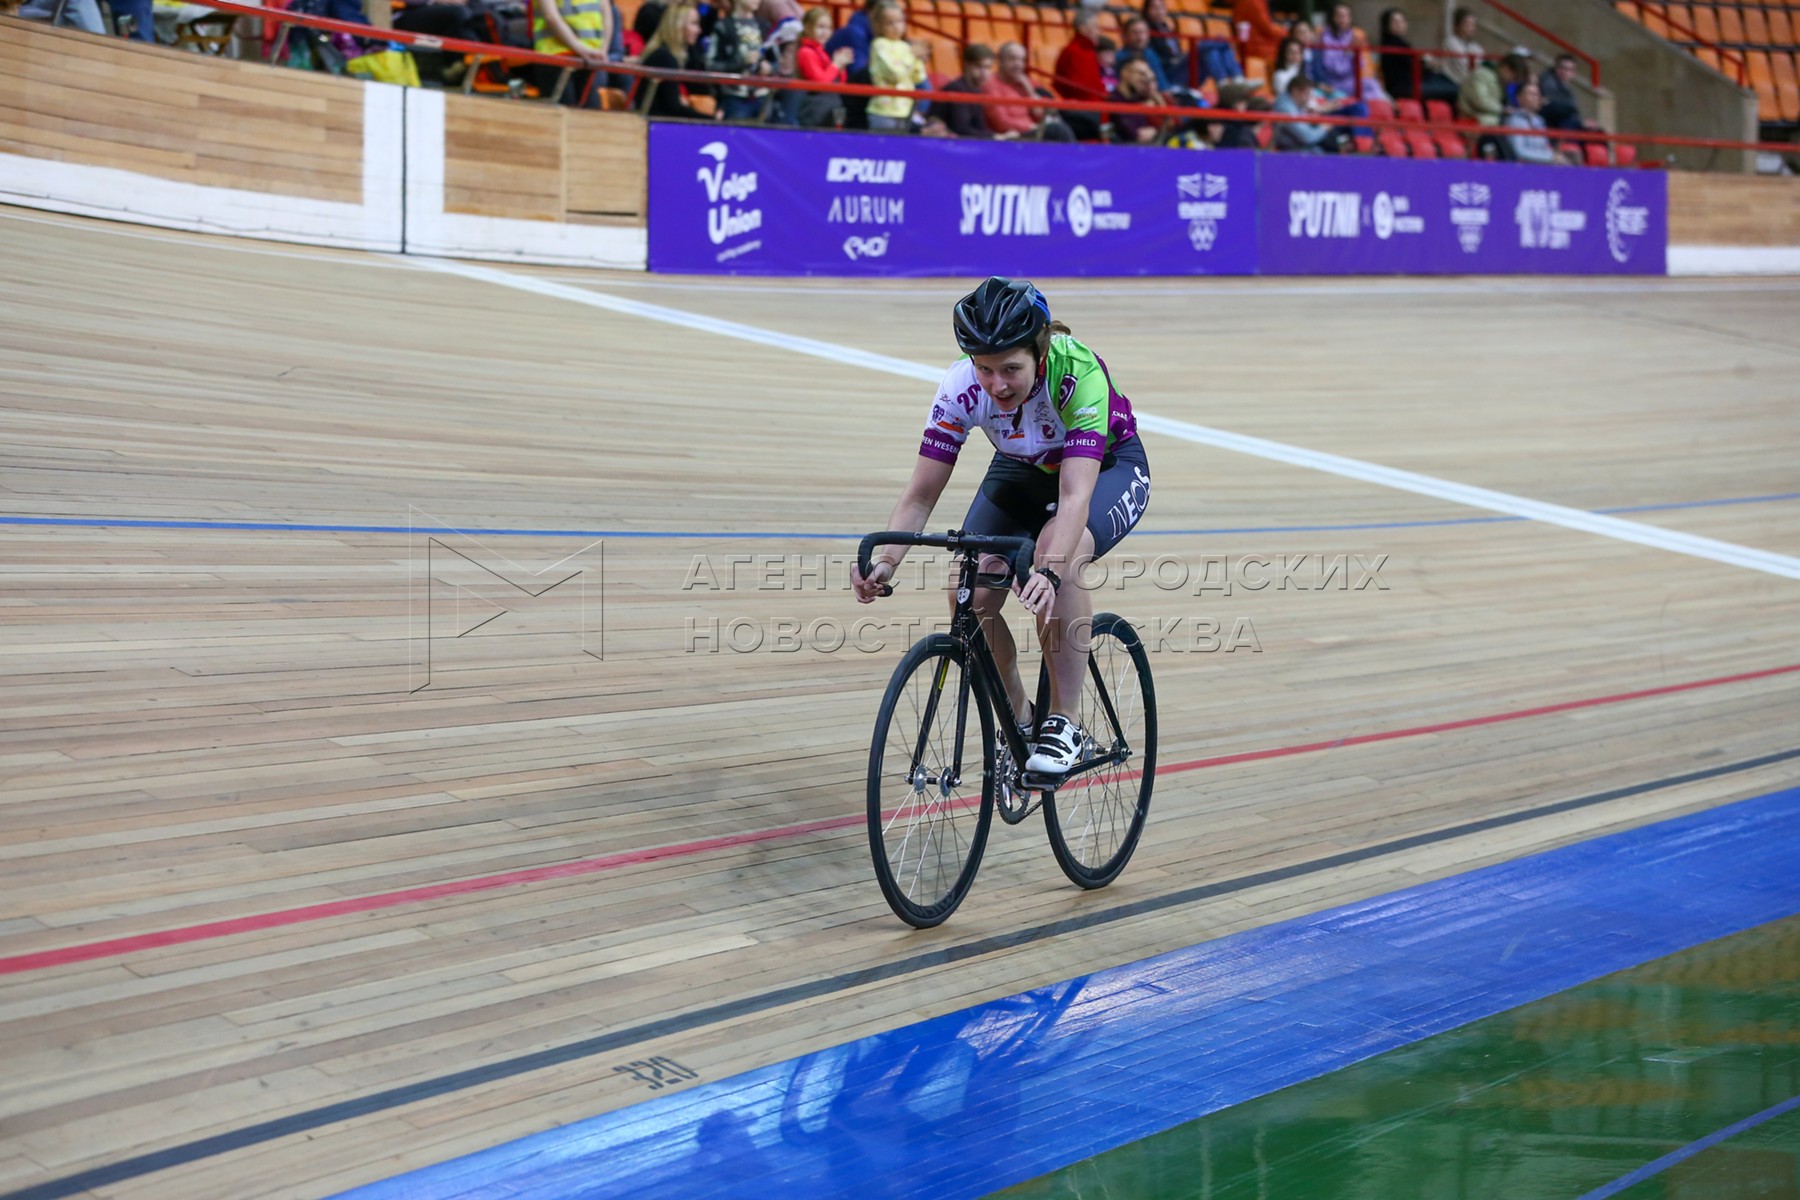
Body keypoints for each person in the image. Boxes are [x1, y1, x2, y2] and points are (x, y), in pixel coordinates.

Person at [851, 278, 1152, 777]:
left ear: (1040, 351)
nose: (997, 385)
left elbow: (1076, 496)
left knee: (1063, 557)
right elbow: (921, 494)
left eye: (1011, 368)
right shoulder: (959, 388)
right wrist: (885, 562)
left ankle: (1065, 723)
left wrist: (1049, 569)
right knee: (967, 589)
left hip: (1108, 468)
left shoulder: (1076, 374)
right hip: (1023, 468)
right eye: (985, 369)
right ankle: (1019, 716)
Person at [987, 41, 1076, 141]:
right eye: (1012, 59)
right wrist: (1031, 127)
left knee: (1072, 124)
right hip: (1012, 136)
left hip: (1031, 132)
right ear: (1001, 60)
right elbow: (1001, 123)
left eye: (1022, 60)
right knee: (1058, 130)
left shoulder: (1024, 83)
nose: (1018, 64)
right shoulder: (991, 84)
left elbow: (1041, 116)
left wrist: (1029, 89)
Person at [635, 3, 711, 119]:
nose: (699, 30)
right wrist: (712, 119)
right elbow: (673, 107)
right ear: (678, 26)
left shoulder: (671, 55)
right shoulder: (664, 57)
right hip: (652, 126)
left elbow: (702, 88)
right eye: (694, 24)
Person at [532, 0, 610, 105]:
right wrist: (600, 50)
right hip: (558, 58)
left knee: (587, 115)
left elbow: (606, 13)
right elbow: (551, 16)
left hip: (589, 59)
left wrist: (602, 50)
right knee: (573, 115)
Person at [706, 0, 771, 122]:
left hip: (762, 97)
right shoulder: (723, 26)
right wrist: (740, 63)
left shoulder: (764, 25)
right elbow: (711, 66)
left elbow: (777, 62)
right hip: (734, 98)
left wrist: (769, 67)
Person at [867, 2, 928, 132]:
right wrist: (912, 55)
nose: (896, 27)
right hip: (883, 111)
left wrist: (919, 60)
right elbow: (895, 74)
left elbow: (918, 77)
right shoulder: (879, 45)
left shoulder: (906, 47)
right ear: (878, 25)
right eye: (890, 23)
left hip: (905, 110)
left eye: (900, 21)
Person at [1376, 7, 1455, 103]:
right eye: (1395, 22)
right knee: (1453, 89)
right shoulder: (1392, 44)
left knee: (1444, 80)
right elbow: (1412, 66)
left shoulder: (1401, 43)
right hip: (1404, 87)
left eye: (1402, 21)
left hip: (1413, 83)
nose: (1399, 25)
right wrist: (1427, 64)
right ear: (1387, 25)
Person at [1053, 11, 1107, 140]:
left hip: (1095, 106)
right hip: (1081, 110)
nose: (1098, 31)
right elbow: (1080, 88)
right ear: (1082, 28)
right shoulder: (1073, 52)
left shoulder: (1088, 51)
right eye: (1094, 26)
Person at [795, 6, 852, 126]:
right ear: (807, 27)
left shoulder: (823, 53)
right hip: (814, 113)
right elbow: (820, 83)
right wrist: (836, 65)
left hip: (831, 108)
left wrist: (841, 67)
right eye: (820, 27)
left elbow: (839, 84)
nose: (825, 32)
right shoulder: (806, 52)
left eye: (828, 28)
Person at [1506, 77, 1576, 164]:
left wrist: (1555, 154)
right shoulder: (1514, 121)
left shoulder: (1539, 120)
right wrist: (1551, 157)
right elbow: (1519, 152)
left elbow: (1543, 148)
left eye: (1537, 94)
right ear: (1519, 98)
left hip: (1542, 165)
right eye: (1531, 94)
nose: (1536, 98)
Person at [940, 43, 1002, 138]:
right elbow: (961, 129)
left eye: (988, 67)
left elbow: (979, 127)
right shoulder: (957, 89)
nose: (984, 73)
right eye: (979, 66)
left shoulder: (976, 91)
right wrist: (995, 137)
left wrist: (998, 136)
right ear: (966, 65)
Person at [1273, 74, 1348, 152]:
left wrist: (1311, 117)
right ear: (1295, 91)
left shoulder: (1293, 103)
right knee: (1320, 150)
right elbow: (1307, 137)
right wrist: (1324, 128)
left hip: (1300, 144)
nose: (1309, 98)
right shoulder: (1285, 108)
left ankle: (1344, 148)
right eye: (1307, 93)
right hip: (1292, 150)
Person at [1109, 54, 1169, 144]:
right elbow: (1134, 134)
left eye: (1146, 74)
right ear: (1125, 73)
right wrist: (1155, 131)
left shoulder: (1139, 98)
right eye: (1141, 74)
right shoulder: (1115, 100)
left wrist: (1161, 104)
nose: (1145, 79)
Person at [1314, 2, 1361, 98]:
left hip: (1350, 80)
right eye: (1339, 15)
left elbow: (1359, 65)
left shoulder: (1354, 36)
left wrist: (1352, 53)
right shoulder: (1324, 36)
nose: (1342, 19)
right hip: (1330, 82)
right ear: (1332, 17)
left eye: (1346, 16)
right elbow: (1334, 69)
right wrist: (1348, 54)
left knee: (1372, 84)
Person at [1538, 52, 1593, 131]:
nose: (1565, 72)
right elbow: (1557, 105)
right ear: (1556, 68)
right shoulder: (1547, 81)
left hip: (1564, 122)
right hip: (1551, 122)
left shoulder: (1568, 91)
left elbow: (1571, 109)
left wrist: (1582, 121)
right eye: (1562, 68)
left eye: (1569, 70)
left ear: (1574, 73)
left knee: (1596, 130)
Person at [1230, 0, 1283, 71]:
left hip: (1247, 44)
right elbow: (1266, 27)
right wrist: (1285, 32)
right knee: (1288, 44)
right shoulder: (1255, 2)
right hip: (1256, 45)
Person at [1442, 6, 1483, 88]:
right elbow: (1463, 67)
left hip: (1473, 83)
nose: (1470, 28)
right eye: (1467, 24)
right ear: (1457, 25)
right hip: (1453, 81)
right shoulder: (1451, 42)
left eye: (1472, 25)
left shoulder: (1476, 46)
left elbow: (1479, 67)